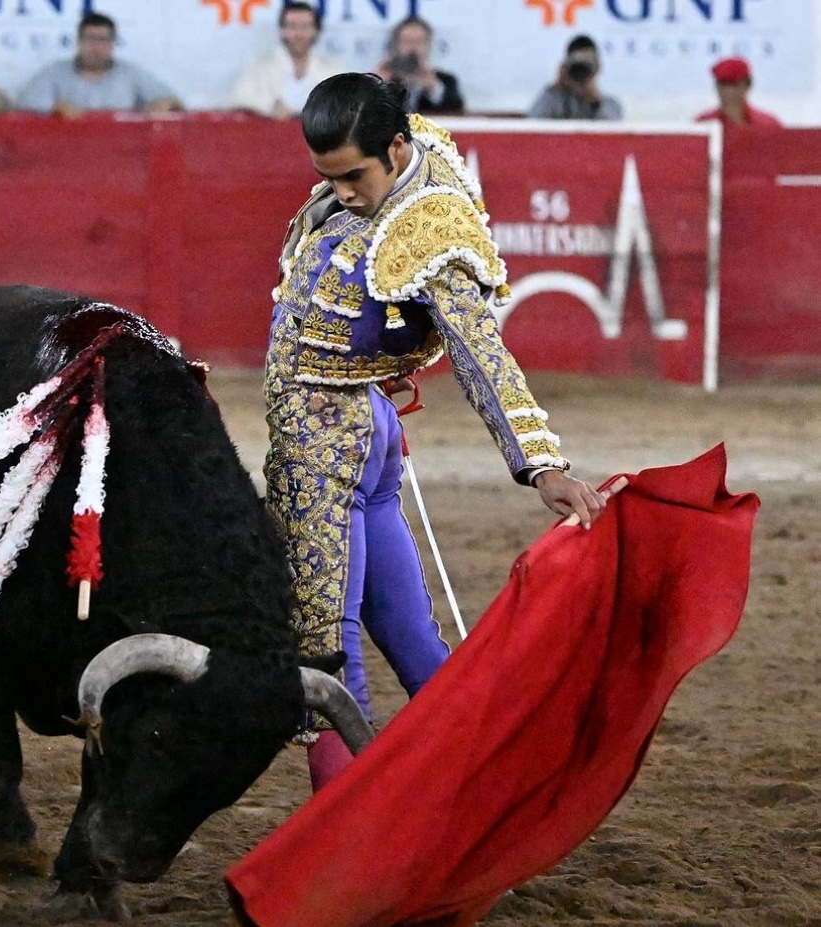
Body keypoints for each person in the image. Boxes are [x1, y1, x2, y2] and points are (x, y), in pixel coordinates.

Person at [264, 73, 605, 789]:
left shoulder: (427, 226)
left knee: (324, 647)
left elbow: (482, 353)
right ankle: (492, 783)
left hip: (329, 441)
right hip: (368, 427)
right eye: (328, 177)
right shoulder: (410, 150)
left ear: (393, 147)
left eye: (354, 176)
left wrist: (540, 464)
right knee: (407, 628)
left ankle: (348, 828)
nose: (343, 193)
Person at [16, 12, 181, 117]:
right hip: (68, 152)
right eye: (90, 39)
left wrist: (165, 104)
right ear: (79, 42)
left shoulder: (130, 74)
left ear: (112, 44)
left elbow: (174, 101)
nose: (95, 47)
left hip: (121, 154)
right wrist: (53, 108)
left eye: (102, 40)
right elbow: (23, 102)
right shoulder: (55, 72)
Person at [229, 2, 343, 118]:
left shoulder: (331, 69)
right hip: (271, 132)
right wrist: (270, 107)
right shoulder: (261, 66)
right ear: (282, 30)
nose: (298, 34)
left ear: (316, 31)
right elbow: (239, 98)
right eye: (292, 27)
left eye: (305, 27)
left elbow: (342, 107)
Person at [375, 15, 464, 114]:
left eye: (419, 42)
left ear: (428, 46)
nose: (413, 48)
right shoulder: (385, 80)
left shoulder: (447, 81)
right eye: (407, 41)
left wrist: (433, 89)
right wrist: (376, 88)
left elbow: (457, 114)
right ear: (396, 45)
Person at [527, 34, 622, 120]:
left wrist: (595, 102)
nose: (581, 70)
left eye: (587, 65)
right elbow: (533, 121)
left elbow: (613, 129)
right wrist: (556, 86)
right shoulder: (553, 99)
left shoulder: (611, 104)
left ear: (598, 67)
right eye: (577, 64)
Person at [695, 56, 782, 127]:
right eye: (722, 84)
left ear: (748, 85)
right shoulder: (703, 124)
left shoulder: (768, 125)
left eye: (733, 84)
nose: (727, 91)